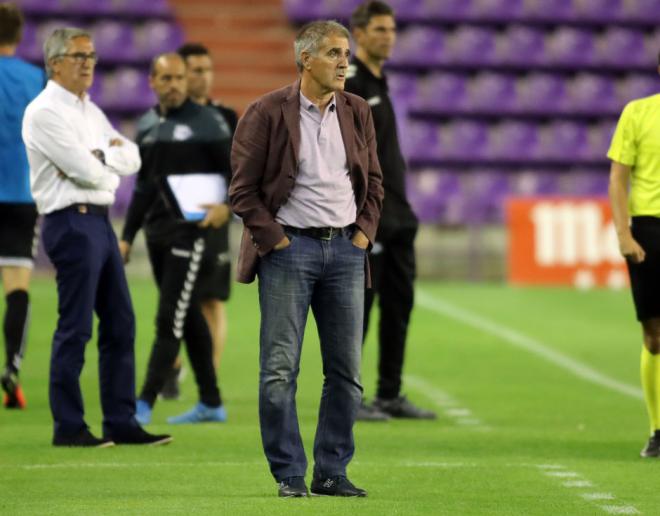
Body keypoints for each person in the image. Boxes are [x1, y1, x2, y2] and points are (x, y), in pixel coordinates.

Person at [230, 20, 383, 497]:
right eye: (335, 53)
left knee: (347, 373)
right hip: (288, 251)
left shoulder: (357, 110)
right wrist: (275, 240)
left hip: (345, 252)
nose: (344, 62)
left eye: (346, 53)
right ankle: (289, 473)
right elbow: (242, 190)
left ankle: (332, 471)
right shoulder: (266, 111)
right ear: (306, 59)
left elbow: (374, 183)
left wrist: (362, 236)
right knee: (279, 369)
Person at [22, 27, 171, 447]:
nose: (88, 63)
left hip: (100, 221)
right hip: (70, 221)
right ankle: (68, 426)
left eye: (91, 56)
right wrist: (104, 162)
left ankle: (120, 422)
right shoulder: (45, 111)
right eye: (78, 56)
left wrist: (101, 157)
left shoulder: (89, 110)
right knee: (76, 327)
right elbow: (83, 171)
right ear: (54, 63)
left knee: (121, 323)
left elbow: (132, 155)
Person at [119, 53, 231, 425]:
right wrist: (127, 236)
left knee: (169, 317)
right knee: (189, 314)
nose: (175, 85)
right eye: (166, 78)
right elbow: (143, 187)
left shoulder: (209, 123)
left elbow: (240, 173)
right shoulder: (148, 125)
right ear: (152, 81)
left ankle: (143, 402)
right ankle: (212, 402)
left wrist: (227, 205)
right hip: (156, 234)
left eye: (179, 78)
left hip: (191, 232)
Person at [345, 1, 436, 421]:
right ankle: (350, 396)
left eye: (391, 29)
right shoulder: (353, 82)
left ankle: (389, 393)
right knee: (360, 307)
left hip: (399, 214)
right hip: (370, 215)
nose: (388, 36)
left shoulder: (381, 80)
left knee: (400, 306)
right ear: (358, 33)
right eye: (379, 29)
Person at [155, 43, 238, 400]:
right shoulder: (165, 118)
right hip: (174, 223)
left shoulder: (227, 117)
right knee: (175, 300)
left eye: (207, 69)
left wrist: (228, 206)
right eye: (195, 70)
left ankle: (211, 378)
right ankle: (172, 367)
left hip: (213, 219)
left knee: (212, 301)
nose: (202, 77)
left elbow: (241, 170)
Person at [608, 54, 660, 458]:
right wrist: (624, 233)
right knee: (655, 336)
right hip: (649, 229)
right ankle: (657, 429)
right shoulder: (638, 112)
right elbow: (619, 176)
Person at [0, 2, 45, 409]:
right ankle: (11, 368)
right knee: (16, 286)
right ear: (18, 34)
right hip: (21, 194)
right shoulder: (36, 79)